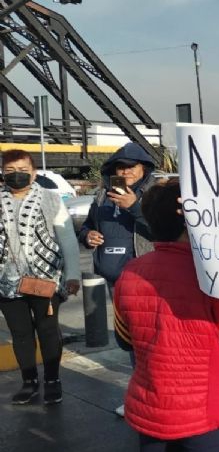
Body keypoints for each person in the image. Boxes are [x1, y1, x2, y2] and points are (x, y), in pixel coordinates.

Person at [113, 179, 219, 452]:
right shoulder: (212, 275)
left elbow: (125, 340)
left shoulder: (131, 272)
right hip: (208, 410)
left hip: (154, 403)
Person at [78, 142, 156, 417]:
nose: (125, 172)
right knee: (131, 340)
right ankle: (141, 396)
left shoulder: (156, 194)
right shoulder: (101, 195)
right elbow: (88, 225)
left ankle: (154, 397)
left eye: (131, 167)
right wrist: (87, 236)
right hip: (115, 280)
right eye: (120, 167)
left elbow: (165, 230)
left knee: (152, 341)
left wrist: (135, 207)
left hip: (147, 280)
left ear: (143, 168)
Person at [0, 150, 80, 405]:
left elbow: (67, 238)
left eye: (22, 169)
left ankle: (53, 380)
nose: (17, 175)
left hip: (45, 278)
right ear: (2, 173)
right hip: (7, 282)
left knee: (47, 331)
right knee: (20, 333)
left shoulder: (51, 199)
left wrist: (73, 274)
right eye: (10, 170)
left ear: (33, 172)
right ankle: (29, 382)